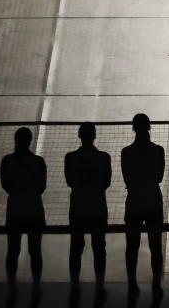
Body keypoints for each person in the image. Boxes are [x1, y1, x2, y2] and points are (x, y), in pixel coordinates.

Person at [121, 113, 165, 296]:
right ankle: (156, 282)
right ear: (149, 127)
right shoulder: (158, 151)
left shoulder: (127, 152)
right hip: (153, 201)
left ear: (133, 127)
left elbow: (127, 179)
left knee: (132, 246)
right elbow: (160, 177)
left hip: (134, 202)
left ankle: (132, 282)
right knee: (155, 246)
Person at [65, 122, 111, 290]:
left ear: (79, 135)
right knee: (99, 248)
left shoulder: (70, 158)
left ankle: (75, 285)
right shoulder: (104, 158)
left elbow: (69, 181)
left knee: (76, 247)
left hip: (78, 207)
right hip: (98, 207)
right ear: (94, 135)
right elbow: (107, 182)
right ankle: (99, 284)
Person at [0, 127, 47, 293]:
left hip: (15, 211)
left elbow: (5, 185)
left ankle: (12, 286)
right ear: (30, 140)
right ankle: (36, 285)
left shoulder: (7, 161)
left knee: (13, 249)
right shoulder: (38, 162)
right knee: (35, 251)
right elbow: (42, 186)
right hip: (34, 210)